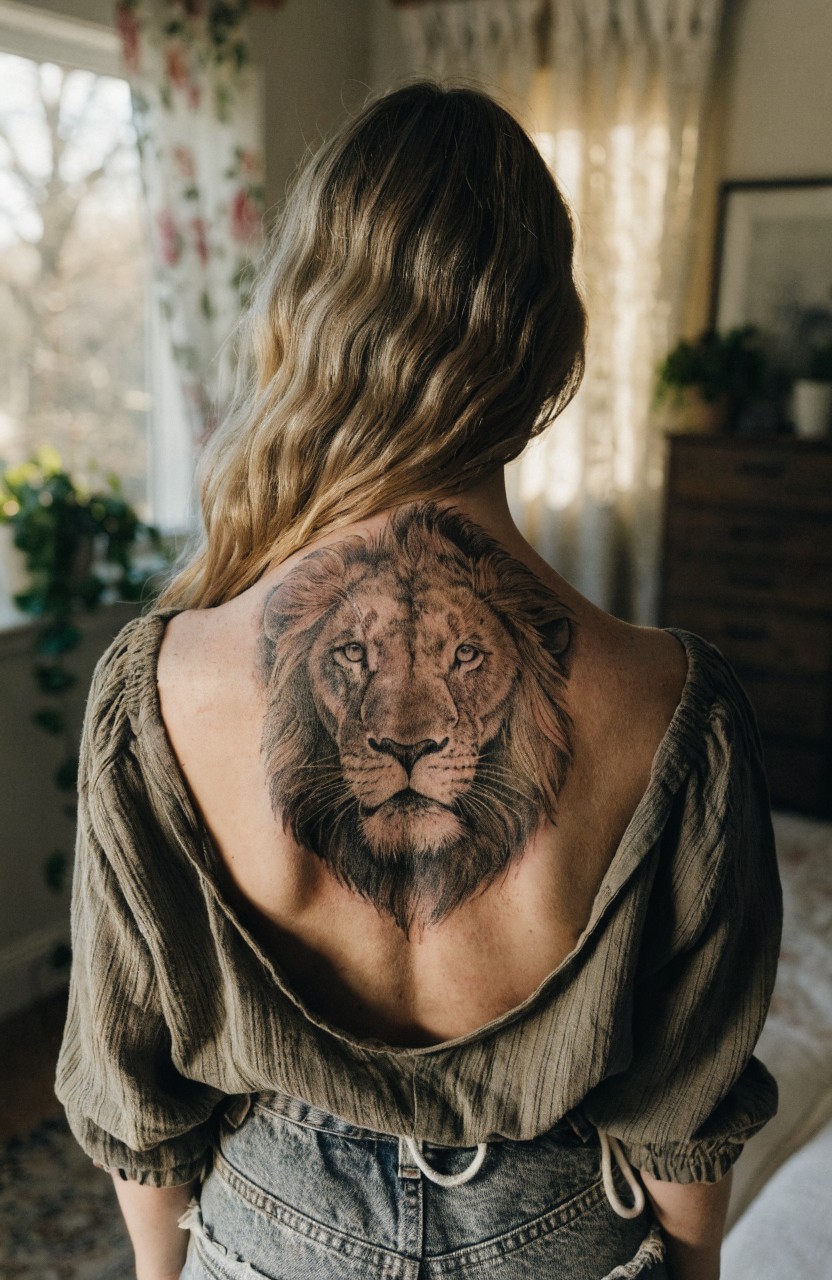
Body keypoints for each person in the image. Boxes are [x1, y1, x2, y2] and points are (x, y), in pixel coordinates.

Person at [55, 83, 782, 1280]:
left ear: (307, 314)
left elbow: (130, 1074)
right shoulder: (670, 702)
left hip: (272, 1220)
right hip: (558, 1227)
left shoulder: (161, 684)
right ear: (547, 337)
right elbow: (683, 1093)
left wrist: (160, 1271)